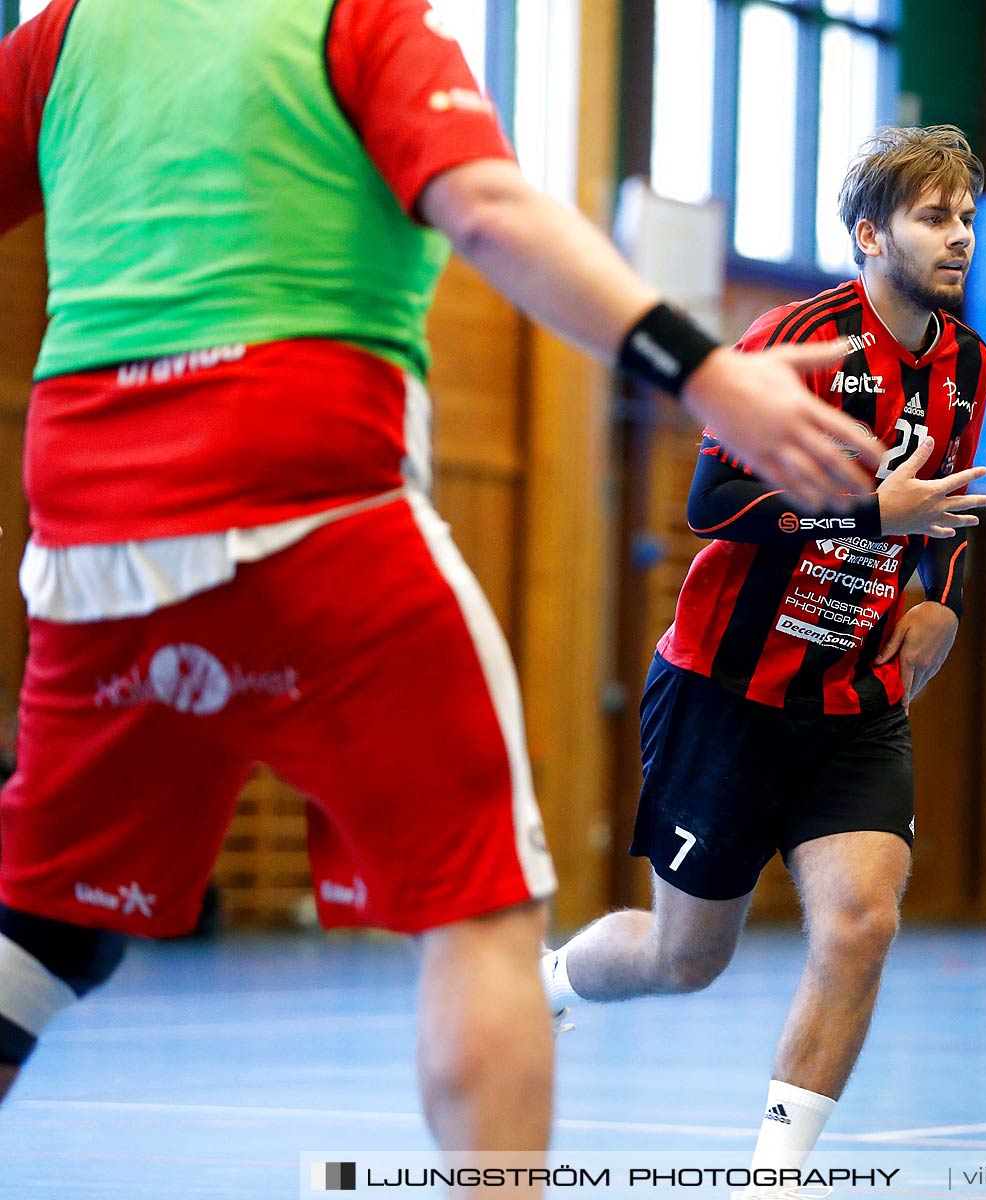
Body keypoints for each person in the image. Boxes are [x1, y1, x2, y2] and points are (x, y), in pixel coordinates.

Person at [0, 0, 878, 1190]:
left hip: (89, 534)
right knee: (482, 916)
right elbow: (489, 208)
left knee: (40, 927)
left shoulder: (64, 34)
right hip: (311, 506)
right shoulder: (358, 20)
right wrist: (707, 369)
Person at [542, 125, 986, 1197]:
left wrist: (942, 599)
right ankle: (551, 981)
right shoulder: (795, 340)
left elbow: (952, 507)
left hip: (857, 701)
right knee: (686, 959)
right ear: (868, 233)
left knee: (862, 920)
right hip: (725, 693)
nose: (959, 237)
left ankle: (774, 1180)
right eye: (935, 217)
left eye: (967, 217)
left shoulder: (967, 362)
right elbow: (712, 504)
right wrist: (864, 508)